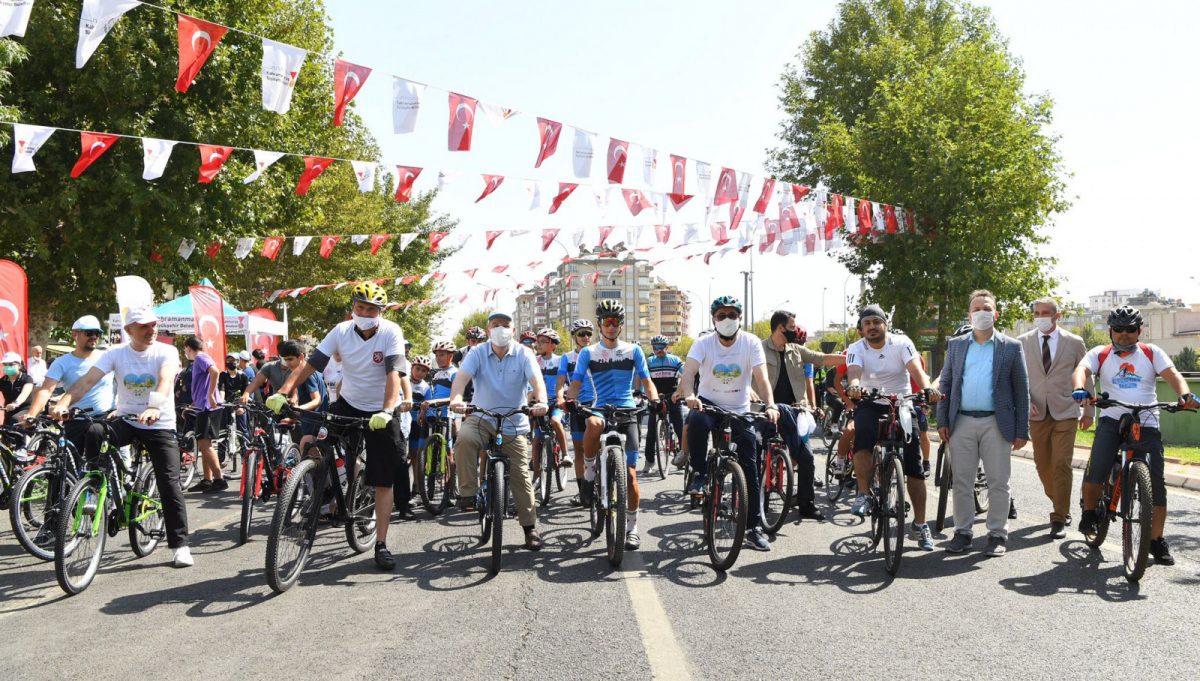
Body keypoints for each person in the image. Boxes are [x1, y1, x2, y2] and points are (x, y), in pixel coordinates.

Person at [267, 283, 413, 571]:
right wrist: (283, 392)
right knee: (315, 444)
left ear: (380, 312)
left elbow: (394, 373)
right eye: (360, 307)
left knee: (383, 479)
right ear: (353, 308)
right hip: (348, 403)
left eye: (371, 309)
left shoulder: (390, 332)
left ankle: (381, 543)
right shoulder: (341, 331)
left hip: (381, 409)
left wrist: (386, 410)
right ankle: (327, 492)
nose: (364, 312)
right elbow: (310, 365)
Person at [50, 306, 193, 567]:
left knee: (169, 483)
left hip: (159, 422)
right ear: (128, 330)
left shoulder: (167, 351)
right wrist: (64, 402)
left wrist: (153, 407)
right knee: (95, 430)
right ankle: (94, 487)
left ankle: (180, 544)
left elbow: (164, 380)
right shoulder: (116, 353)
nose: (151, 330)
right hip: (126, 419)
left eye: (153, 325)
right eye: (143, 326)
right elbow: (86, 381)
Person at [1072, 305, 1199, 566]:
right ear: (1110, 331)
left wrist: (1184, 395)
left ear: (1139, 331)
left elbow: (1172, 375)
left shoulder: (1152, 353)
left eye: (1130, 329)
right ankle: (1089, 513)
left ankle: (1155, 540)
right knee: (1098, 468)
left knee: (1156, 484)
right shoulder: (1101, 353)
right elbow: (1082, 370)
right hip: (1111, 419)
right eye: (1118, 329)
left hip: (1147, 422)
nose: (1124, 334)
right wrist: (1079, 389)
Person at [678, 296, 779, 551]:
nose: (727, 320)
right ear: (713, 318)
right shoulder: (703, 343)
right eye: (721, 315)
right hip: (709, 404)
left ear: (740, 318)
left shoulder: (751, 342)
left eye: (732, 315)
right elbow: (688, 373)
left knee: (751, 467)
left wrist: (771, 405)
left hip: (739, 409)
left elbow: (762, 379)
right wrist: (690, 395)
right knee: (697, 421)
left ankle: (753, 528)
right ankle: (700, 473)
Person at [935, 290, 1029, 557]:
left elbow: (1021, 390)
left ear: (995, 314)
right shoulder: (956, 345)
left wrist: (1022, 429)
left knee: (999, 481)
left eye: (986, 308)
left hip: (996, 423)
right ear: (969, 314)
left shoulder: (1011, 347)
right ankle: (962, 532)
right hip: (961, 421)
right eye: (976, 309)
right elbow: (947, 384)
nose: (981, 313)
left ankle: (997, 534)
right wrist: (942, 419)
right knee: (962, 481)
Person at [447, 310, 547, 550]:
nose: (500, 328)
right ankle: (468, 493)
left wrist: (541, 402)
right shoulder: (477, 352)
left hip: (514, 421)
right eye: (495, 324)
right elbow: (461, 378)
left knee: (521, 476)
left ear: (513, 330)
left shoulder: (525, 353)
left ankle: (530, 528)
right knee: (464, 438)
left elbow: (537, 382)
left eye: (505, 324)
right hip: (482, 416)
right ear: (488, 329)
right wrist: (457, 399)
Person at [846, 304, 941, 552]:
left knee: (914, 465)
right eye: (867, 323)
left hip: (902, 403)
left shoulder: (901, 343)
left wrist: (927, 388)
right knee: (863, 434)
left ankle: (920, 525)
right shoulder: (857, 348)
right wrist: (855, 386)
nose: (872, 327)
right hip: (871, 401)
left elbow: (916, 369)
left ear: (885, 325)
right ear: (862, 328)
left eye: (876, 322)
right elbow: (854, 372)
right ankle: (864, 493)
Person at [566, 301, 658, 551]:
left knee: (629, 475)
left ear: (620, 325)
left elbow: (647, 382)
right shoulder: (589, 352)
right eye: (606, 322)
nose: (610, 326)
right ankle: (589, 471)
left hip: (627, 409)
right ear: (599, 325)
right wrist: (570, 399)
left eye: (615, 322)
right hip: (601, 406)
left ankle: (632, 528)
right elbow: (575, 382)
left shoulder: (633, 350)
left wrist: (655, 399)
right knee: (593, 422)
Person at [762, 310, 845, 521]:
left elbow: (823, 358)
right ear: (780, 328)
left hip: (794, 411)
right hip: (765, 411)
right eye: (791, 328)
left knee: (806, 458)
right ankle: (753, 504)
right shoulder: (759, 349)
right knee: (754, 456)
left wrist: (853, 356)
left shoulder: (797, 350)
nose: (794, 331)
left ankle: (807, 505)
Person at [1019, 297, 1090, 538]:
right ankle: (1059, 498)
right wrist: (1025, 401)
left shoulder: (1074, 342)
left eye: (1046, 312)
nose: (1041, 317)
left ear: (1057, 315)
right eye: (1037, 313)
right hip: (1036, 412)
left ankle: (1059, 515)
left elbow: (1086, 375)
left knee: (1061, 463)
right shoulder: (1023, 342)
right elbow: (1019, 378)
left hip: (1066, 410)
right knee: (1043, 465)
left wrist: (1089, 410)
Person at [22, 316, 115, 458]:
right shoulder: (61, 362)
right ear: (74, 334)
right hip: (74, 419)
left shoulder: (107, 358)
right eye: (89, 333)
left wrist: (121, 407)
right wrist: (32, 415)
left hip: (103, 417)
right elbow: (46, 390)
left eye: (98, 333)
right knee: (67, 467)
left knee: (96, 461)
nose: (94, 337)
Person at [558, 319, 596, 503]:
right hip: (577, 405)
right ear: (574, 337)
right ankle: (584, 492)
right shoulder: (567, 357)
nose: (586, 337)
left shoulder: (598, 353)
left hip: (597, 404)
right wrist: (560, 399)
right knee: (580, 450)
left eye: (589, 333)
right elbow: (560, 384)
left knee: (599, 447)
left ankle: (603, 484)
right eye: (582, 334)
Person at [183, 338, 227, 493]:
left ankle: (219, 479)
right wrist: (193, 405)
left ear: (188, 348)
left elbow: (215, 371)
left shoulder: (200, 357)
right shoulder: (198, 360)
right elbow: (203, 384)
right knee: (204, 444)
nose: (185, 353)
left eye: (185, 349)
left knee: (204, 444)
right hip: (203, 406)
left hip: (209, 407)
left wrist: (210, 395)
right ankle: (207, 480)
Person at [530, 328, 570, 484]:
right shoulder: (534, 360)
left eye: (543, 342)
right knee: (536, 439)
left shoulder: (561, 360)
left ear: (553, 345)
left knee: (555, 422)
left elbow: (568, 381)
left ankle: (566, 454)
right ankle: (537, 474)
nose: (539, 345)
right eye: (538, 341)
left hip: (556, 401)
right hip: (540, 402)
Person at [645, 334, 684, 475]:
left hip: (672, 396)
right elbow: (642, 377)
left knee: (680, 427)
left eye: (662, 347)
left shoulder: (675, 360)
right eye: (656, 347)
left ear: (667, 347)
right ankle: (649, 461)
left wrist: (680, 391)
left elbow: (686, 375)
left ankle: (684, 457)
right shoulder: (649, 361)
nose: (659, 350)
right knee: (651, 431)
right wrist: (641, 392)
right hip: (656, 397)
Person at [399, 354, 432, 519]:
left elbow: (427, 406)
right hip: (402, 422)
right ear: (411, 368)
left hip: (417, 425)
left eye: (423, 371)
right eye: (417, 369)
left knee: (417, 457)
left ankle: (418, 489)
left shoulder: (426, 387)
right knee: (404, 458)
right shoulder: (403, 380)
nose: (419, 373)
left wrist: (423, 412)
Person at [220, 352, 250, 440]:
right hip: (226, 404)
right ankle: (221, 453)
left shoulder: (243, 376)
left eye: (233, 360)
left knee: (243, 430)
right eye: (228, 360)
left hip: (239, 403)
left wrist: (243, 407)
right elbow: (221, 389)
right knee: (223, 431)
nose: (230, 362)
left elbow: (246, 393)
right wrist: (221, 402)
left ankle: (245, 452)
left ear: (238, 362)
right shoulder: (223, 375)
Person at [1, 352, 34, 420]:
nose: (7, 367)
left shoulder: (27, 379)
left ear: (19, 365)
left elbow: (24, 394)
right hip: (9, 411)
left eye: (11, 364)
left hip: (26, 410)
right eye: (5, 364)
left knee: (14, 420)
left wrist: (15, 404)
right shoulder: (3, 380)